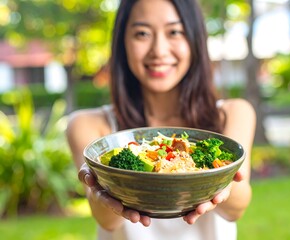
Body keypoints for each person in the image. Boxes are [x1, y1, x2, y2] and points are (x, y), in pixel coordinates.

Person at [66, 0, 256, 239]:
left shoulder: (234, 113)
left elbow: (236, 210)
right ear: (122, 43)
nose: (159, 50)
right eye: (142, 33)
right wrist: (100, 185)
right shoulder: (87, 125)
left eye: (174, 32)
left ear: (195, 39)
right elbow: (106, 220)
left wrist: (221, 181)